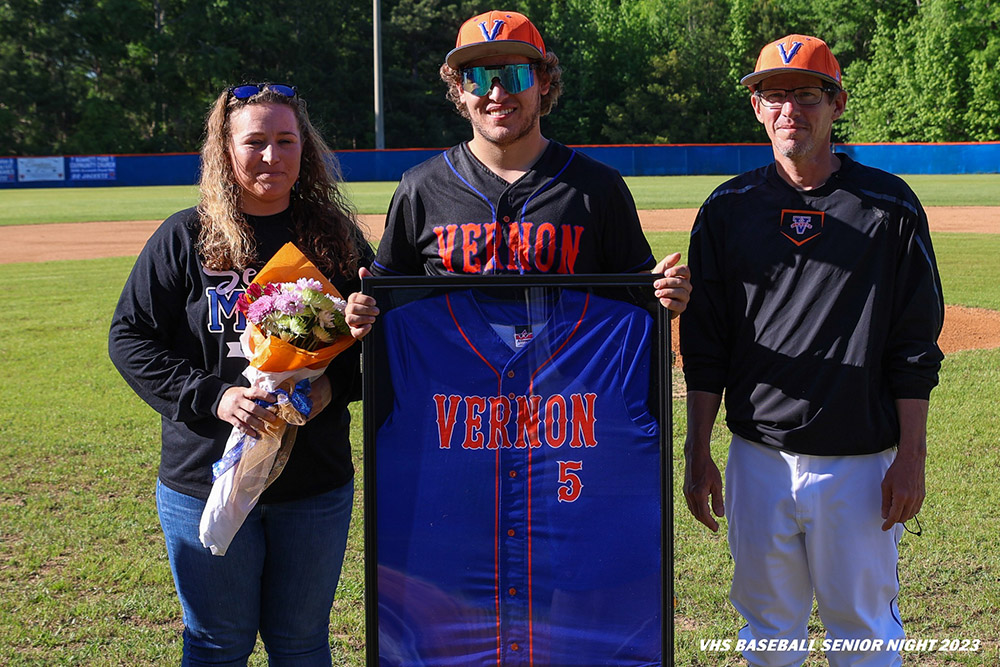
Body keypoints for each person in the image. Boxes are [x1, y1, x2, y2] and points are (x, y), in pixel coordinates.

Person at [680, 35, 944, 666]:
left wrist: (911, 457)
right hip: (757, 457)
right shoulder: (728, 208)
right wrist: (697, 451)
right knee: (768, 634)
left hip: (859, 463)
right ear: (756, 108)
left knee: (863, 632)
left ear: (836, 103)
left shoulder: (889, 205)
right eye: (773, 95)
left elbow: (914, 344)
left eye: (805, 95)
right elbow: (706, 342)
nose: (788, 110)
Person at [109, 82, 373, 665]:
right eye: (255, 142)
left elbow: (379, 346)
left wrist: (335, 383)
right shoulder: (186, 236)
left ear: (305, 149)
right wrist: (216, 397)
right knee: (216, 642)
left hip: (313, 479)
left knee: (301, 643)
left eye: (286, 141)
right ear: (225, 150)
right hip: (205, 475)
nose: (272, 157)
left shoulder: (335, 238)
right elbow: (129, 338)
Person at [345, 9, 691, 337]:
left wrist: (663, 294)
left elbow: (634, 303)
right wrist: (362, 310)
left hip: (568, 396)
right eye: (477, 78)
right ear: (460, 91)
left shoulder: (597, 187)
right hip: (457, 397)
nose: (497, 93)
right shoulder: (421, 188)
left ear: (542, 81)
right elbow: (387, 303)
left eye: (514, 74)